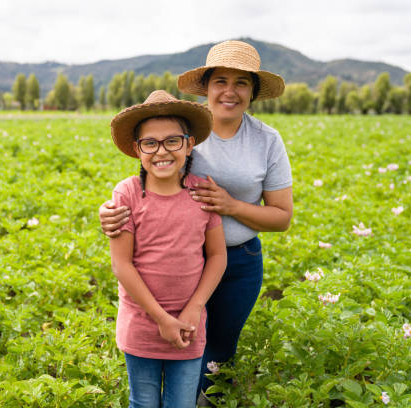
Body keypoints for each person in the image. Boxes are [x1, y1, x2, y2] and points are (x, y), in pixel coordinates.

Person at [100, 40, 293, 405]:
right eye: (221, 81)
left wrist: (231, 205)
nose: (230, 91)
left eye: (241, 83)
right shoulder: (180, 127)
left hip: (236, 259)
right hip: (171, 264)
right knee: (165, 347)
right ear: (206, 86)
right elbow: (143, 184)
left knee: (218, 352)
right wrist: (108, 211)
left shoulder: (266, 140)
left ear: (253, 91)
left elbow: (282, 217)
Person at [108, 89, 227, 408]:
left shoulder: (203, 193)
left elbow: (217, 256)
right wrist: (161, 318)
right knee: (143, 402)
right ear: (137, 149)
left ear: (189, 144)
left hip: (189, 324)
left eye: (172, 140)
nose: (161, 151)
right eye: (150, 142)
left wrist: (193, 308)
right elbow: (122, 265)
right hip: (142, 324)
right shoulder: (128, 194)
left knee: (182, 403)